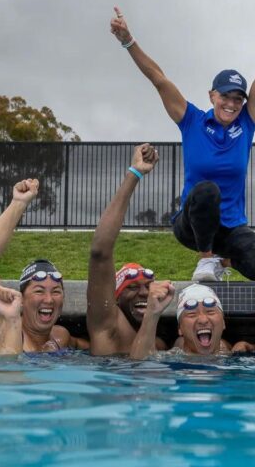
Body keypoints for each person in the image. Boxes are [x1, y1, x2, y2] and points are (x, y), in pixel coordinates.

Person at [109, 0, 255, 282]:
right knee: (208, 190)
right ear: (212, 96)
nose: (232, 104)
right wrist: (128, 41)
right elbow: (158, 79)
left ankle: (223, 260)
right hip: (192, 226)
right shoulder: (192, 121)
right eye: (225, 97)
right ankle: (205, 261)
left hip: (230, 227)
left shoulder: (247, 124)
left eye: (238, 99)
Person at [0, 179, 79, 353]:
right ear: (22, 300)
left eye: (56, 291)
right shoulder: (0, 332)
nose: (49, 299)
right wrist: (19, 203)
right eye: (39, 290)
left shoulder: (60, 337)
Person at [87, 144, 168, 356]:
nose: (143, 292)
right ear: (115, 298)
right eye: (132, 287)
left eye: (147, 286)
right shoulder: (108, 330)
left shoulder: (159, 345)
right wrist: (135, 174)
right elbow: (99, 253)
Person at [130, 283, 229, 359]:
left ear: (223, 323)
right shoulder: (172, 359)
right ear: (180, 329)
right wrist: (152, 314)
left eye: (210, 312)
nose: (203, 320)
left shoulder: (236, 358)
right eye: (192, 314)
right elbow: (139, 366)